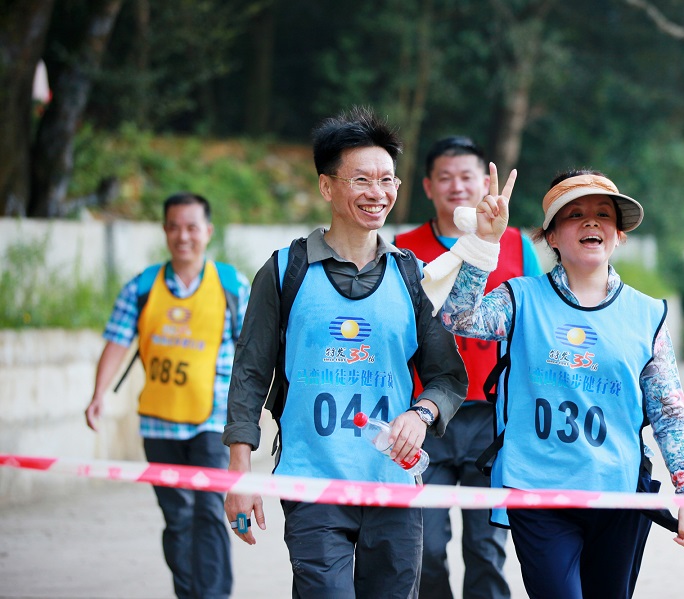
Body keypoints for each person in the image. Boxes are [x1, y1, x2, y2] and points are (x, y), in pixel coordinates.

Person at [222, 106, 467, 599]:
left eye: (387, 180)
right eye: (361, 180)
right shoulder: (284, 271)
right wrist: (239, 472)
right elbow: (249, 372)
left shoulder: (412, 275)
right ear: (327, 186)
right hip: (312, 481)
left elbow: (447, 377)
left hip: (393, 482)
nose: (377, 193)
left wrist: (421, 414)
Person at [428, 166, 684, 599]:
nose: (591, 222)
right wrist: (484, 242)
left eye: (603, 214)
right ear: (552, 236)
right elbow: (458, 318)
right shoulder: (520, 298)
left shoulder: (647, 315)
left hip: (618, 492)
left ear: (619, 235)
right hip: (537, 492)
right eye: (575, 214)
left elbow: (668, 413)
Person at [395, 136, 543, 599]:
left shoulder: (517, 244)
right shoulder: (402, 248)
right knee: (424, 545)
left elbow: (537, 326)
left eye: (467, 177)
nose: (457, 186)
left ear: (484, 184)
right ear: (428, 186)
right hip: (426, 416)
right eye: (445, 177)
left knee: (486, 547)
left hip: (493, 418)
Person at [85, 192, 250, 599]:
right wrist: (98, 393)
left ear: (208, 231)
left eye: (192, 227)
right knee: (177, 517)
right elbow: (117, 340)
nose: (183, 236)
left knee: (208, 511)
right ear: (164, 231)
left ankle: (213, 595)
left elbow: (253, 349)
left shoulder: (231, 285)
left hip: (213, 423)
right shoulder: (142, 287)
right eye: (174, 227)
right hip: (158, 424)